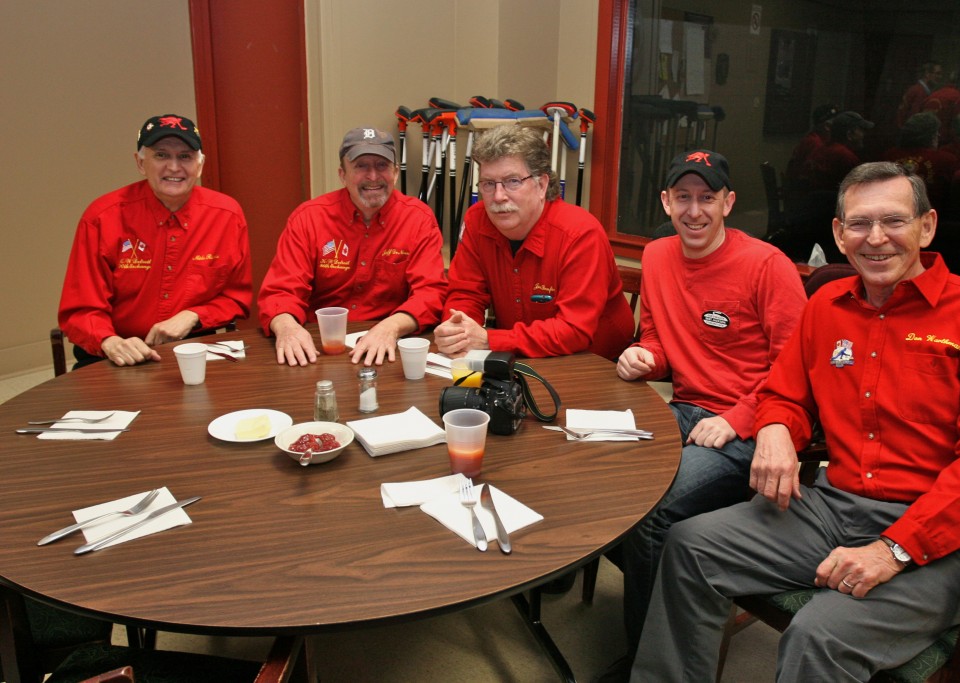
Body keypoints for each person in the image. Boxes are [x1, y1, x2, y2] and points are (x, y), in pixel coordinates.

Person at [631, 162, 960, 682]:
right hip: (834, 506)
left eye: (894, 221)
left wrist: (894, 549)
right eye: (859, 224)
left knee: (820, 635)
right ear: (839, 234)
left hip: (943, 537)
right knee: (689, 546)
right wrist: (773, 431)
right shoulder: (827, 308)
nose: (876, 239)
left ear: (926, 227)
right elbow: (783, 394)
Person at [595, 150, 806, 682]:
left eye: (707, 198)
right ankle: (665, 594)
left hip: (750, 430)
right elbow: (659, 339)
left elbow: (797, 368)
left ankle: (644, 661)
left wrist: (739, 418)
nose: (695, 211)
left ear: (728, 203)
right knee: (594, 467)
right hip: (683, 410)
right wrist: (644, 358)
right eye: (683, 197)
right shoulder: (660, 257)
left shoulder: (766, 265)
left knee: (654, 508)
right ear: (666, 202)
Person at [58, 114, 252, 368]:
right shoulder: (102, 217)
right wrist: (111, 342)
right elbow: (80, 310)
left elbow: (236, 297)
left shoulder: (227, 215)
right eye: (161, 155)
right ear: (140, 163)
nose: (174, 167)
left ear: (200, 165)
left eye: (185, 156)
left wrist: (193, 315)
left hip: (193, 347)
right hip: (112, 352)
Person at [434, 125, 634, 361]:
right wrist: (458, 329)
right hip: (521, 356)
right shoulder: (477, 220)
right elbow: (466, 293)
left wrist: (489, 339)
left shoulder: (580, 233)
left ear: (541, 185)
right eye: (488, 183)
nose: (498, 196)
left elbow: (574, 331)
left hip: (594, 362)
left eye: (512, 181)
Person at [258, 127, 446, 366]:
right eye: (361, 166)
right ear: (342, 174)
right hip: (319, 346)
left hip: (389, 341)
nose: (373, 177)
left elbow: (430, 293)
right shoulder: (308, 218)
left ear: (396, 173)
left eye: (382, 166)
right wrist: (286, 327)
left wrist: (390, 327)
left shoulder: (418, 219)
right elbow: (280, 291)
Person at [805, 110, 874, 193]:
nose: (864, 134)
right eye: (861, 130)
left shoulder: (821, 150)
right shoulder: (845, 157)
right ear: (849, 134)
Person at [896, 61, 942, 127]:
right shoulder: (919, 92)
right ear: (927, 74)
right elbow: (915, 119)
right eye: (937, 73)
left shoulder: (918, 89)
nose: (940, 77)